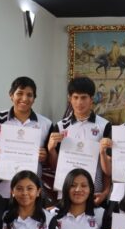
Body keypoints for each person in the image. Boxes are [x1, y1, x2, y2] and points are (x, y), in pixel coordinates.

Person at [0, 76, 52, 198]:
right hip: (0, 188)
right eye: (19, 93)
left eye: (29, 95)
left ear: (34, 98)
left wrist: (45, 156)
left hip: (30, 190)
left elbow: (50, 160)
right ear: (11, 95)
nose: (24, 98)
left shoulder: (46, 124)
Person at [47, 77, 112, 205]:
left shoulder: (104, 125)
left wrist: (105, 192)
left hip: (94, 193)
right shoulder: (60, 126)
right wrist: (51, 150)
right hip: (66, 191)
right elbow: (55, 167)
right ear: (69, 99)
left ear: (91, 99)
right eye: (75, 97)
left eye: (83, 98)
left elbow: (107, 168)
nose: (79, 102)